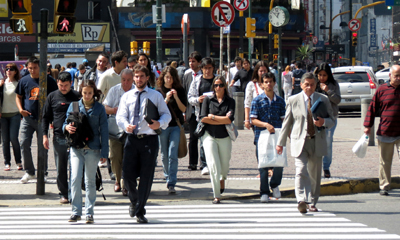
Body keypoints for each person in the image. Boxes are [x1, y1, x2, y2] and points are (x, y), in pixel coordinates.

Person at [116, 65, 171, 223]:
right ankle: (134, 200)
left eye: (141, 76)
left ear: (147, 78)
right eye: (136, 76)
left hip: (149, 139)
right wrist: (125, 125)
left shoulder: (156, 95)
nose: (139, 79)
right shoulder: (127, 96)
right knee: (127, 174)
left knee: (146, 177)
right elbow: (120, 116)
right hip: (132, 138)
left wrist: (159, 124)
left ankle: (140, 211)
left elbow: (166, 115)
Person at [276, 72, 334, 213]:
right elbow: (287, 122)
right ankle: (301, 200)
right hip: (299, 141)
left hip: (317, 141)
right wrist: (280, 143)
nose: (309, 87)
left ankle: (312, 201)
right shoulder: (293, 100)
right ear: (301, 85)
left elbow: (332, 120)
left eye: (312, 84)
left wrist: (323, 122)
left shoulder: (323, 99)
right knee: (301, 170)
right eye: (306, 84)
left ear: (316, 85)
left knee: (314, 174)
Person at [63, 80, 109, 223]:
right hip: (76, 147)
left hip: (93, 148)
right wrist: (66, 128)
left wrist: (104, 152)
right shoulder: (74, 105)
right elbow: (65, 122)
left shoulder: (100, 108)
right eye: (84, 93)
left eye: (90, 93)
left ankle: (89, 212)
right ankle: (76, 211)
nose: (87, 96)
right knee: (75, 178)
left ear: (94, 93)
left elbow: (104, 131)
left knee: (90, 181)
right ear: (81, 92)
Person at [16, 57, 58, 183]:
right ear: (27, 68)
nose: (32, 70)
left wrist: (52, 116)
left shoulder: (49, 80)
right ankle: (29, 171)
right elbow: (18, 96)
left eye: (35, 68)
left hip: (43, 119)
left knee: (43, 146)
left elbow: (55, 98)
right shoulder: (24, 80)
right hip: (28, 118)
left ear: (40, 67)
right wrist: (20, 110)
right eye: (30, 68)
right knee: (24, 143)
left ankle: (42, 172)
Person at [42, 72, 80, 204]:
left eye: (66, 85)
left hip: (76, 137)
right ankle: (64, 193)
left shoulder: (76, 96)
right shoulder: (52, 96)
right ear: (57, 82)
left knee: (75, 166)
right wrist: (44, 135)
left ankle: (74, 192)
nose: (63, 88)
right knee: (61, 167)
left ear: (71, 83)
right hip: (59, 136)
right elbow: (45, 117)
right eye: (61, 85)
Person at [364, 65, 400, 196]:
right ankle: (384, 186)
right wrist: (367, 125)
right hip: (386, 131)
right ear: (390, 76)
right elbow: (372, 108)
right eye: (396, 76)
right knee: (384, 161)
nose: (398, 78)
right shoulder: (382, 90)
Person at [250, 72, 286, 203]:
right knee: (263, 165)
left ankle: (275, 184)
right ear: (261, 84)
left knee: (279, 163)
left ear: (274, 83)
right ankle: (264, 191)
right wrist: (265, 125)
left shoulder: (280, 101)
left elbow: (284, 119)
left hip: (277, 137)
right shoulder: (257, 100)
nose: (269, 84)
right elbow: (253, 119)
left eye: (271, 81)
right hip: (261, 137)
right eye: (266, 82)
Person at [199, 76, 235, 204]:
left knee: (224, 166)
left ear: (224, 86)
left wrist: (213, 117)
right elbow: (203, 118)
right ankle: (217, 195)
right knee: (213, 165)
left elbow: (229, 120)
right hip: (209, 136)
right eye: (215, 85)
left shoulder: (230, 101)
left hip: (224, 136)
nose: (217, 88)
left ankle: (222, 179)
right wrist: (221, 118)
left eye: (220, 85)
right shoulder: (208, 101)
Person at [103, 69, 135, 196]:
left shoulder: (136, 91)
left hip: (131, 129)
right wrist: (114, 110)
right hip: (115, 129)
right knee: (115, 156)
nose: (126, 83)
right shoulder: (114, 90)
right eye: (123, 80)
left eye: (128, 80)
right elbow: (105, 107)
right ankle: (117, 179)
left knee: (128, 157)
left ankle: (125, 183)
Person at [156, 66, 187, 193]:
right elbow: (158, 110)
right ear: (163, 78)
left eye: (171, 77)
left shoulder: (180, 90)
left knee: (172, 153)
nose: (169, 80)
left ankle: (171, 181)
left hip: (175, 125)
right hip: (163, 126)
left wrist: (176, 97)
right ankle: (167, 175)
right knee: (164, 154)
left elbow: (183, 109)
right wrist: (167, 99)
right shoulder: (158, 91)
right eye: (167, 77)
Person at [188, 57, 218, 175]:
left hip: (216, 115)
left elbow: (227, 94)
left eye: (209, 68)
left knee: (214, 140)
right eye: (205, 68)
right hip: (201, 115)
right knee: (203, 139)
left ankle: (213, 162)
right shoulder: (197, 80)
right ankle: (204, 164)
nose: (207, 71)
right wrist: (198, 100)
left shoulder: (217, 80)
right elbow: (190, 97)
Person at [314, 63, 341, 178]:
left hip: (330, 118)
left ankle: (326, 167)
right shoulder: (314, 84)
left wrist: (328, 90)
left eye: (324, 75)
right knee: (314, 142)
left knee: (328, 142)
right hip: (316, 117)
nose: (322, 78)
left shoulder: (333, 85)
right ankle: (315, 165)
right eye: (320, 75)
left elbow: (337, 100)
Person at [181, 51, 205, 171]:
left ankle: (204, 162)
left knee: (204, 138)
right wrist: (184, 111)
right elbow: (185, 93)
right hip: (191, 111)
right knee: (192, 137)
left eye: (193, 61)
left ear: (199, 63)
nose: (191, 64)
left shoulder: (204, 75)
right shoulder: (187, 75)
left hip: (202, 111)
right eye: (190, 61)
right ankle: (192, 162)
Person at [0, 63, 22, 171]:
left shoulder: (19, 83)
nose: (8, 70)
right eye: (7, 69)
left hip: (15, 114)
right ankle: (7, 163)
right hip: (3, 115)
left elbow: (22, 98)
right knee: (5, 140)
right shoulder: (2, 83)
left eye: (11, 69)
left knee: (13, 138)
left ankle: (18, 161)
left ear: (15, 71)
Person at [244, 61, 269, 130]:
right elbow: (247, 103)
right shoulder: (251, 84)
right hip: (257, 119)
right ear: (257, 72)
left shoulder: (272, 84)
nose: (263, 73)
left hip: (270, 118)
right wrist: (246, 119)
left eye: (265, 71)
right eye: (261, 71)